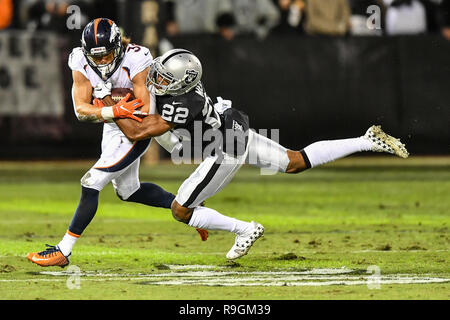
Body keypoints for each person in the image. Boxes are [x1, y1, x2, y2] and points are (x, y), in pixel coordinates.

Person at [113, 49, 409, 260]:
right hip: (230, 128)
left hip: (223, 147)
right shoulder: (178, 87)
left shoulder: (184, 100)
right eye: (159, 75)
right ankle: (366, 140)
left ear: (183, 82)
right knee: (295, 162)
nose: (157, 82)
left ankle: (245, 229)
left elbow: (140, 132)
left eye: (165, 79)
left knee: (181, 210)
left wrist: (109, 109)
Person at [26, 19, 205, 268]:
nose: (101, 62)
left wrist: (108, 105)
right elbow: (81, 109)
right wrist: (113, 109)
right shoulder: (78, 58)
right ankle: (187, 205)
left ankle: (63, 250)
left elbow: (143, 110)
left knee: (91, 181)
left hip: (134, 128)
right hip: (112, 127)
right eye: (95, 57)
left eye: (106, 55)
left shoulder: (137, 57)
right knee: (128, 191)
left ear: (118, 47)